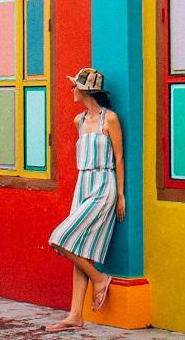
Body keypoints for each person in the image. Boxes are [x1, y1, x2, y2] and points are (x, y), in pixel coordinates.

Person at [45, 68, 126, 332]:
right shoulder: (78, 121)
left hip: (104, 185)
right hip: (83, 185)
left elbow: (119, 158)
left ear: (86, 90)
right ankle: (75, 315)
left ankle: (100, 278)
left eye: (75, 86)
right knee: (79, 248)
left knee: (58, 238)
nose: (71, 90)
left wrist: (121, 194)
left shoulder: (110, 119)